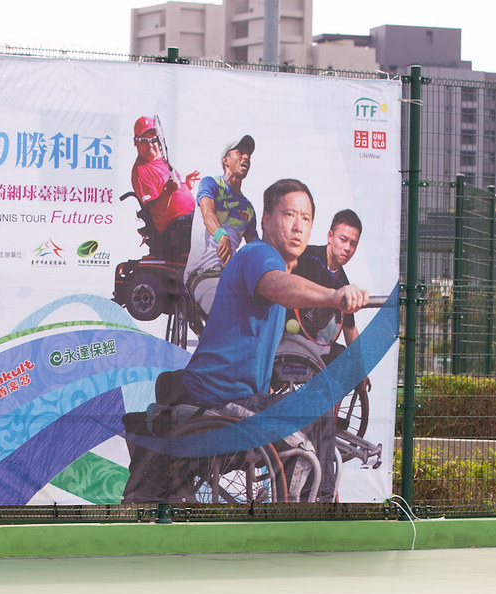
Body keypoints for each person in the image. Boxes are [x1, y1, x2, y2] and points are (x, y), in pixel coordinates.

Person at [123, 178, 368, 503]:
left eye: (306, 218)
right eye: (289, 215)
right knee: (316, 410)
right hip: (215, 400)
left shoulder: (275, 268)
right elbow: (278, 284)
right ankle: (316, 514)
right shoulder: (259, 255)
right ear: (266, 220)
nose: (298, 226)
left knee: (314, 404)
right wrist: (335, 295)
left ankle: (318, 504)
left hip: (235, 399)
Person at [290, 208, 370, 390]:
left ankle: (327, 416)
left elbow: (350, 330)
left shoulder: (344, 283)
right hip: (286, 338)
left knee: (347, 361)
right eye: (343, 240)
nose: (347, 248)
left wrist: (361, 370)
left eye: (353, 243)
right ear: (330, 236)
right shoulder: (304, 257)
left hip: (313, 347)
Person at [183, 135, 258, 319]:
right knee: (228, 312)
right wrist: (220, 235)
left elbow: (254, 247)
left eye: (248, 154)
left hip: (231, 277)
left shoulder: (248, 208)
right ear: (226, 160)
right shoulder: (211, 184)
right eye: (240, 152)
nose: (246, 157)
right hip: (202, 274)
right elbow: (208, 213)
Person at [130, 115, 199, 260]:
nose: (150, 145)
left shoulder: (160, 160)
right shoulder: (140, 171)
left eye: (153, 140)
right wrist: (168, 191)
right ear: (135, 142)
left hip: (188, 219)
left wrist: (186, 186)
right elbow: (155, 209)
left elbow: (172, 190)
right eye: (144, 141)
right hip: (175, 230)